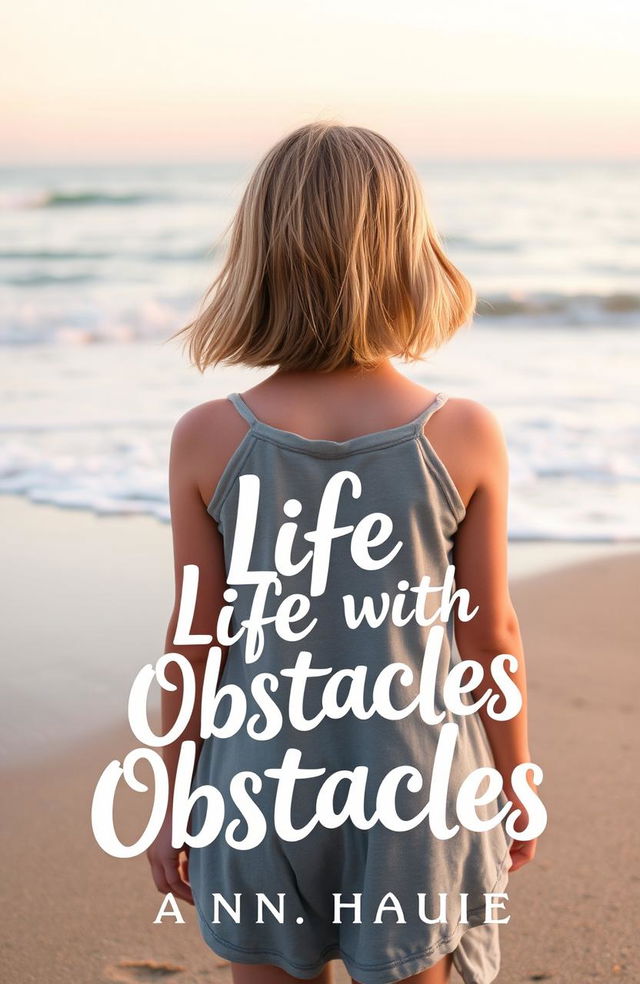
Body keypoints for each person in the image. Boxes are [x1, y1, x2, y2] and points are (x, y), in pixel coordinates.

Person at [147, 122, 540, 984]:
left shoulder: (208, 439)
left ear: (260, 258)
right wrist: (514, 779)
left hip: (257, 783)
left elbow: (192, 642)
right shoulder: (463, 434)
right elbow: (491, 637)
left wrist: (170, 791)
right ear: (409, 253)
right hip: (414, 783)